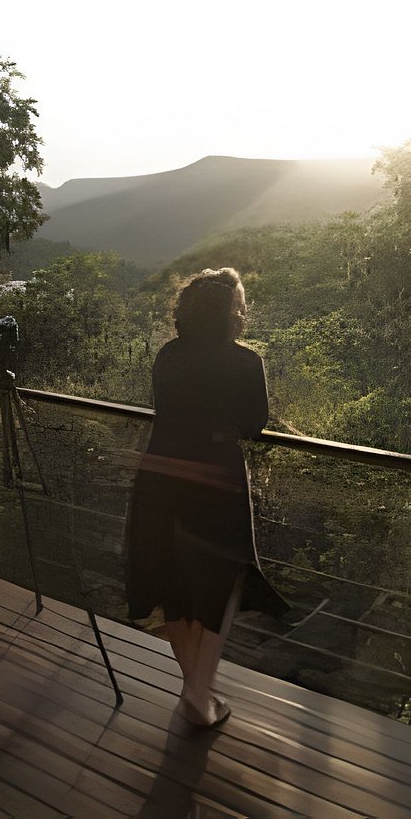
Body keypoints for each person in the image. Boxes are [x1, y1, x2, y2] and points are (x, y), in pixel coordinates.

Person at [126, 267, 289, 727]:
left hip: (159, 469)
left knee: (171, 577)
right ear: (232, 312)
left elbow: (169, 409)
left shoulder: (168, 356)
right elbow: (254, 424)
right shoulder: (245, 362)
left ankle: (195, 690)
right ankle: (198, 691)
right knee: (225, 578)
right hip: (215, 477)